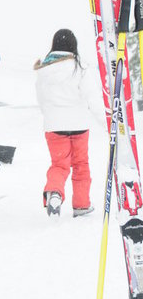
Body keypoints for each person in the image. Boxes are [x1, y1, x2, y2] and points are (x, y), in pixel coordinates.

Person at [34, 28, 100, 217]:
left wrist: (51, 116)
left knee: (59, 165)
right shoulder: (80, 68)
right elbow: (93, 98)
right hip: (79, 125)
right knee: (81, 165)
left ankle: (54, 193)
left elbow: (41, 100)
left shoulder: (44, 70)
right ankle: (81, 205)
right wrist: (108, 124)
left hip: (54, 126)